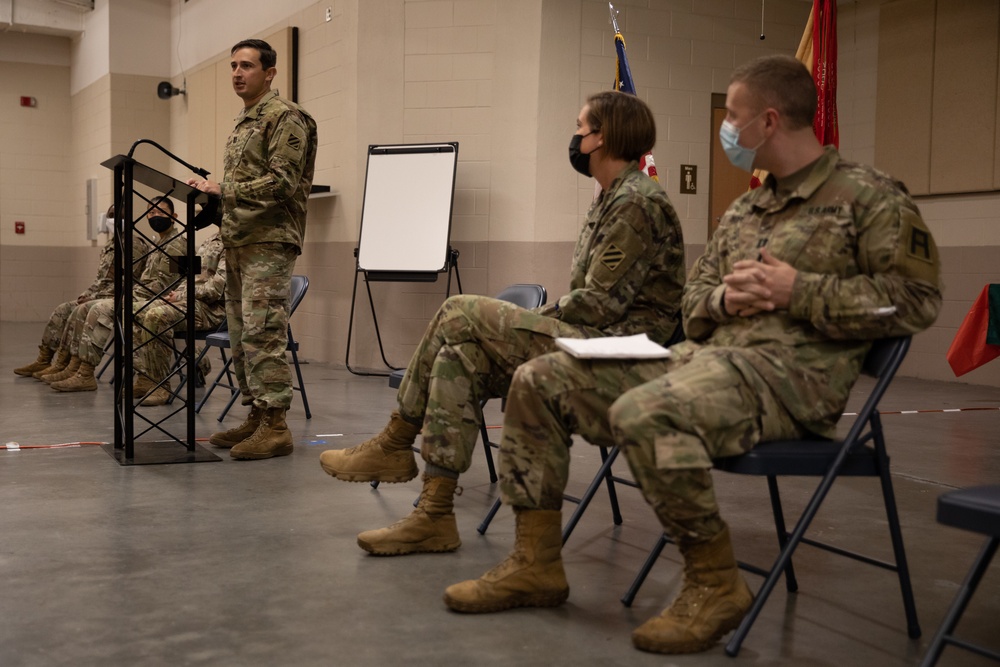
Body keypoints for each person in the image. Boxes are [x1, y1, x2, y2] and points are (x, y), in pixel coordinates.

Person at [441, 54, 943, 656]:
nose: (725, 130)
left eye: (732, 116)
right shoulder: (746, 210)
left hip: (790, 384)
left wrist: (799, 291)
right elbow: (693, 305)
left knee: (646, 413)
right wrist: (725, 302)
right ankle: (535, 564)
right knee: (540, 378)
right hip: (705, 364)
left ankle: (714, 581)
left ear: (769, 120)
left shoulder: (869, 198)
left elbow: (917, 301)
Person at [320, 90, 686, 558]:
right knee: (460, 357)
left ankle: (395, 442)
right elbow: (595, 301)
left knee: (458, 311)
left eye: (580, 128)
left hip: (621, 352)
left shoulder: (636, 200)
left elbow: (599, 306)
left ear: (603, 138)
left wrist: (535, 320)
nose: (573, 137)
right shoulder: (610, 198)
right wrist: (540, 320)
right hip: (596, 338)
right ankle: (434, 516)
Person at [187, 38, 317, 460]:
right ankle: (257, 415)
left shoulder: (287, 118)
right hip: (239, 241)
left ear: (270, 73)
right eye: (233, 66)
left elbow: (282, 183)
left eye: (246, 66)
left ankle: (277, 425)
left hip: (269, 242)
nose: (237, 73)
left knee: (263, 331)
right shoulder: (245, 122)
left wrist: (223, 189)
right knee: (242, 335)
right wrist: (212, 197)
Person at [51, 197, 186, 392]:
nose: (155, 216)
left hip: (157, 300)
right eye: (151, 212)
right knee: (85, 308)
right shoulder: (159, 242)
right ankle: (74, 367)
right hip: (141, 295)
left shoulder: (178, 245)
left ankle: (86, 374)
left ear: (174, 217)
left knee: (100, 310)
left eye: (161, 212)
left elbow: (167, 284)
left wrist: (131, 295)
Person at [14, 205, 149, 380]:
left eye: (119, 216)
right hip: (100, 295)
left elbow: (126, 281)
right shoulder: (111, 244)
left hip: (116, 297)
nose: (114, 219)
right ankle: (46, 360)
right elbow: (101, 280)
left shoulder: (133, 244)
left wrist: (93, 298)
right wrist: (87, 293)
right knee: (63, 309)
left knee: (81, 311)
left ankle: (74, 367)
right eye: (111, 215)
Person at [132, 229, 226, 406]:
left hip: (215, 309)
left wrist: (183, 296)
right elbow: (191, 277)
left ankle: (161, 386)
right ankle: (146, 377)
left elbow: (216, 290)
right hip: (192, 301)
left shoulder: (235, 242)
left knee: (156, 316)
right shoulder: (209, 241)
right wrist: (177, 293)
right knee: (137, 311)